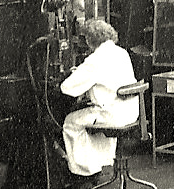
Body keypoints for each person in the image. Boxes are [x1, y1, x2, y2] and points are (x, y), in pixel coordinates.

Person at [60, 18, 139, 178]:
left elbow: (67, 88)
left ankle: (84, 169)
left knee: (70, 122)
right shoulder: (121, 52)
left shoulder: (95, 60)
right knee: (90, 118)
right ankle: (101, 161)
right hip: (130, 113)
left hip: (111, 116)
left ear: (89, 40)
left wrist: (78, 73)